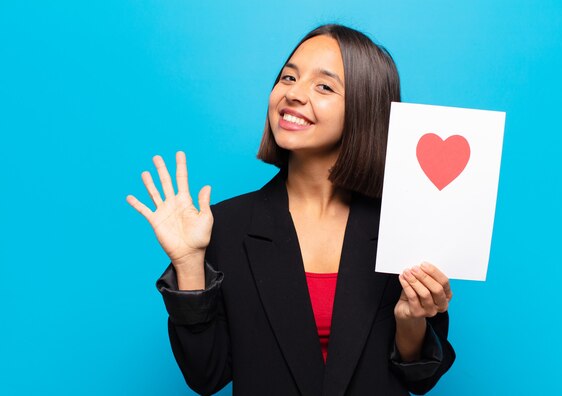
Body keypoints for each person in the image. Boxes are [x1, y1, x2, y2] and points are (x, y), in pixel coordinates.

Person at [127, 24, 455, 396]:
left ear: (365, 108)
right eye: (288, 77)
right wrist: (188, 265)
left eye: (324, 86)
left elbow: (421, 378)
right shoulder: (222, 227)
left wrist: (410, 322)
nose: (293, 94)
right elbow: (207, 375)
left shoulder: (406, 225)